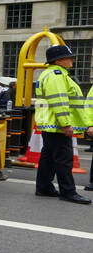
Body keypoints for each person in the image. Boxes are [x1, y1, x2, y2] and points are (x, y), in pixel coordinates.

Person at [34, 44, 91, 204]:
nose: (72, 60)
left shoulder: (51, 74)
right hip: (57, 124)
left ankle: (44, 187)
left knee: (49, 157)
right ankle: (68, 192)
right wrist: (66, 124)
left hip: (51, 123)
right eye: (69, 57)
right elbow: (59, 101)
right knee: (64, 159)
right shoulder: (57, 75)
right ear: (59, 60)